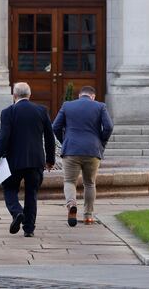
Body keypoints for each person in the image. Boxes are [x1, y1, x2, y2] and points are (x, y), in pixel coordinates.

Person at [0, 82, 56, 238]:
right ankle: (29, 228)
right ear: (29, 94)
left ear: (14, 95)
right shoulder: (41, 110)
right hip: (36, 160)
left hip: (14, 160)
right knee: (31, 193)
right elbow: (49, 138)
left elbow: (3, 137)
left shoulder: (8, 112)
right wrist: (50, 159)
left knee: (10, 189)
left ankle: (17, 212)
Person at [52, 85, 114, 227]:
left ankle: (71, 204)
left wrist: (65, 141)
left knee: (69, 181)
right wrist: (101, 142)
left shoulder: (67, 106)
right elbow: (109, 127)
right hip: (92, 149)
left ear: (80, 95)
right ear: (93, 96)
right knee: (90, 183)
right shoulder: (100, 106)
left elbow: (55, 126)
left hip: (71, 149)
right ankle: (88, 216)